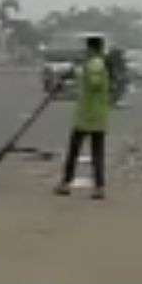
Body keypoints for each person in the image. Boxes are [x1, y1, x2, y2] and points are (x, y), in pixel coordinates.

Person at [54, 35, 111, 200]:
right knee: (97, 152)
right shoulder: (95, 63)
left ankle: (66, 183)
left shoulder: (95, 64)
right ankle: (99, 187)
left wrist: (78, 73)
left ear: (91, 48)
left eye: (86, 48)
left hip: (88, 115)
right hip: (97, 115)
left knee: (74, 151)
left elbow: (94, 83)